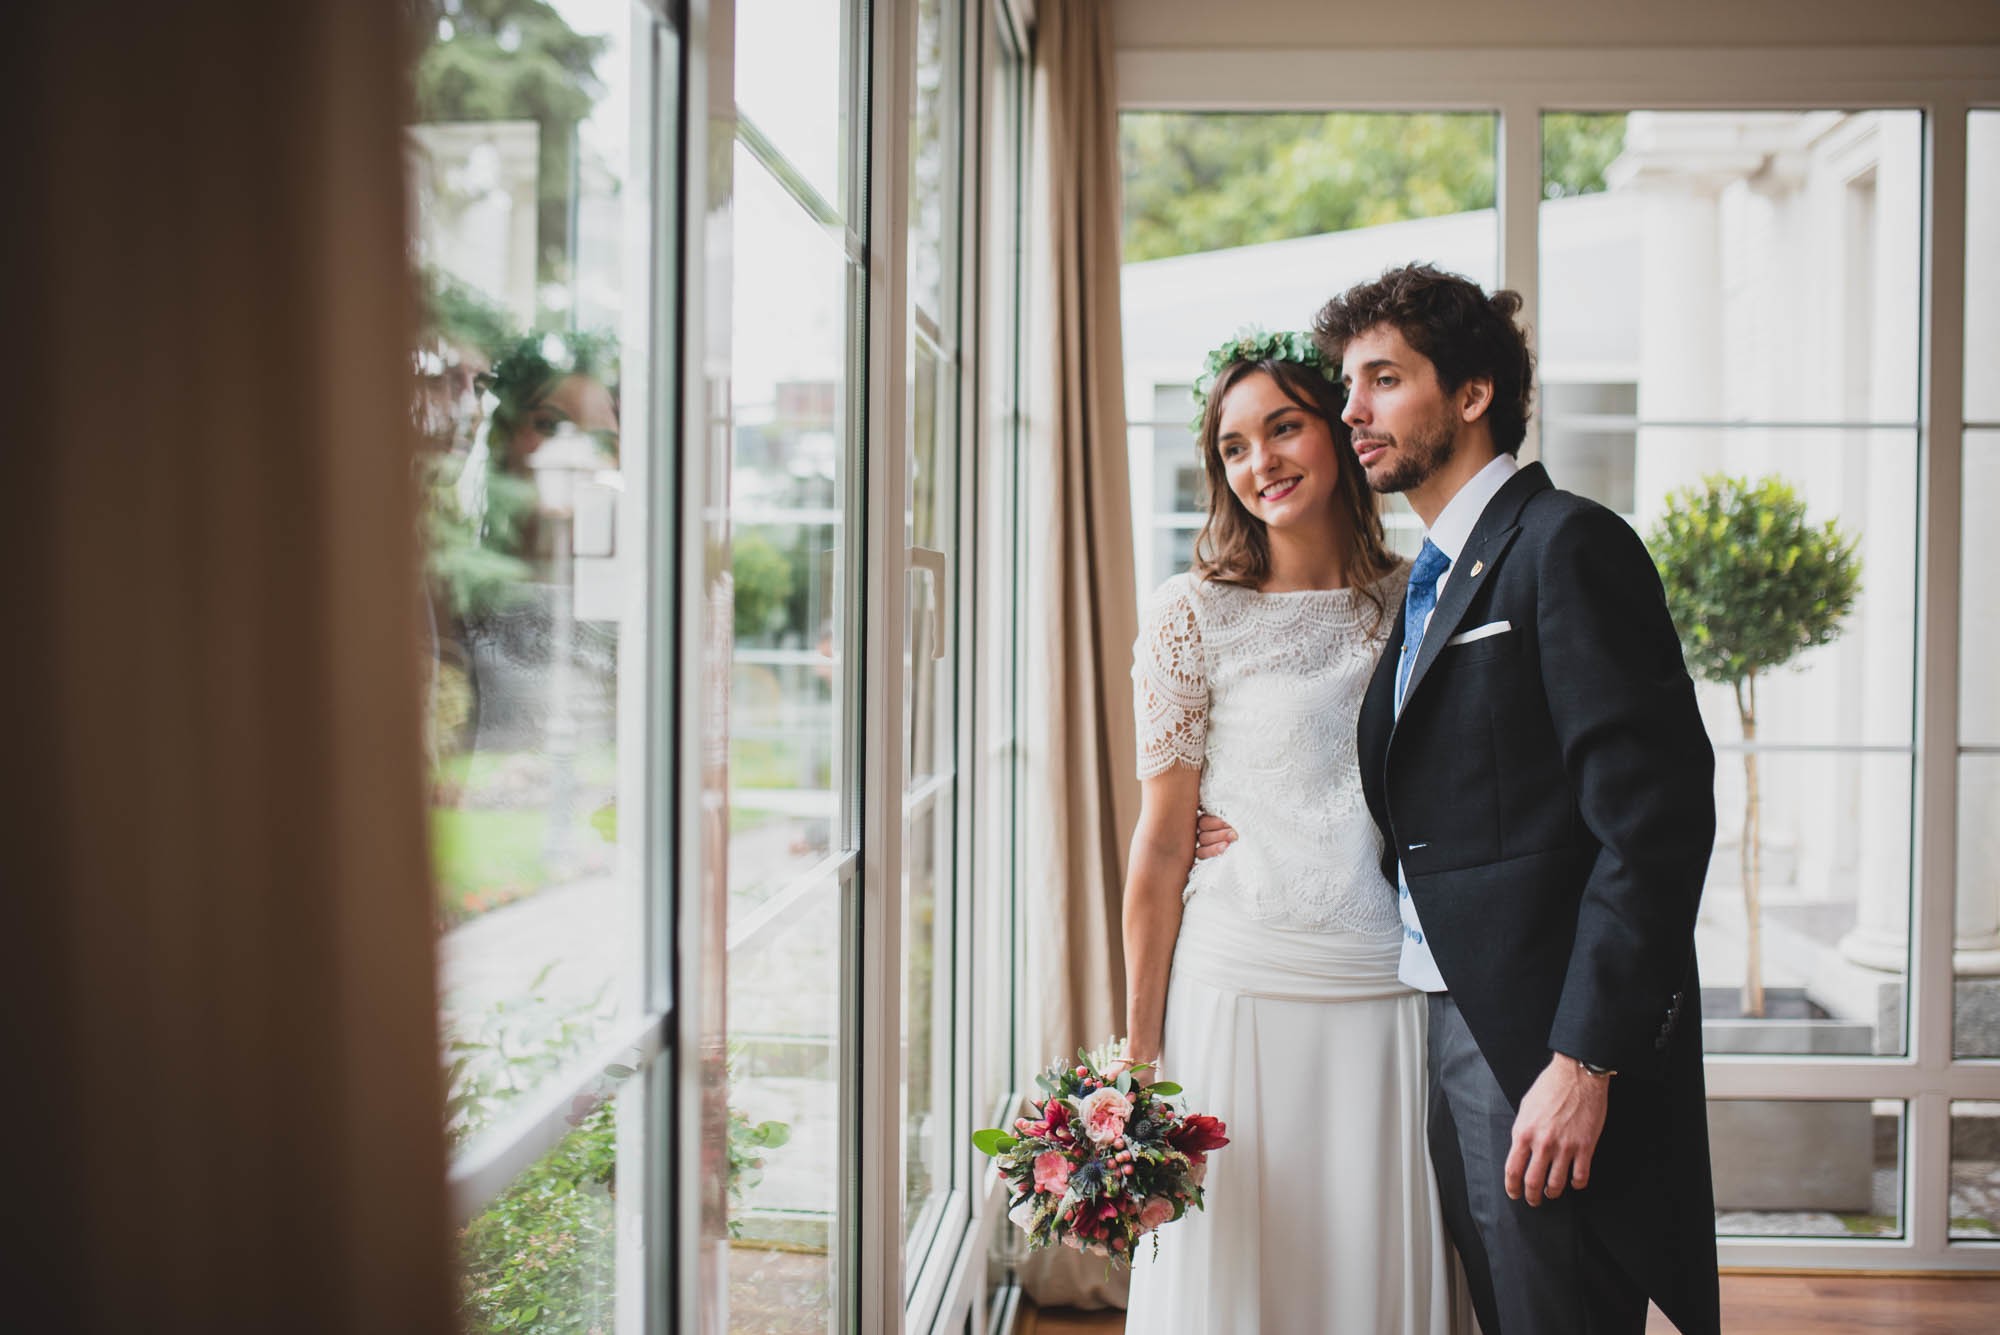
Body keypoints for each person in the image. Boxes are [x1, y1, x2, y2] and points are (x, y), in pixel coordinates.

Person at [1200, 264, 1721, 1335]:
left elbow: (1654, 828)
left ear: (1472, 392)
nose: (1353, 413)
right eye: (1347, 387)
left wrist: (1584, 1061)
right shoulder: (1429, 579)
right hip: (1438, 1017)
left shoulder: (1565, 545)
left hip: (1540, 1042)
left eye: (1382, 381)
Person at [1119, 331, 1471, 1334]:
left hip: (1384, 978)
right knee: (1239, 1268)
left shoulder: (1423, 597)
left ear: (1338, 432)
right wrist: (1137, 1059)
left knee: (1370, 1265)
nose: (1260, 462)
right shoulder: (1189, 614)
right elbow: (1157, 840)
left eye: (1283, 428)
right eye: (1233, 446)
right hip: (1237, 981)